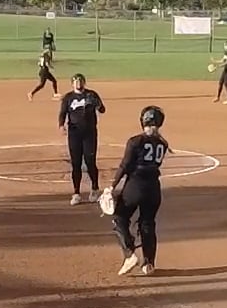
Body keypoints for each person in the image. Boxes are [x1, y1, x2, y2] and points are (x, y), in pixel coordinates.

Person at [110, 106, 170, 276]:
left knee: (119, 217)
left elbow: (125, 166)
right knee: (147, 223)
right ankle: (149, 263)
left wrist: (112, 186)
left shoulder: (135, 141)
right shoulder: (163, 143)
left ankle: (129, 254)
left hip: (135, 186)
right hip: (154, 188)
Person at [58, 73, 107, 204]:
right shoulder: (68, 97)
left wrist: (97, 104)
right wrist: (61, 125)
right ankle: (76, 193)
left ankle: (95, 189)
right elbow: (63, 113)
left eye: (80, 81)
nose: (78, 84)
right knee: (76, 163)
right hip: (74, 134)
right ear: (72, 84)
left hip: (89, 133)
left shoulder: (91, 94)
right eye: (75, 81)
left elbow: (102, 110)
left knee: (90, 161)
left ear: (84, 82)